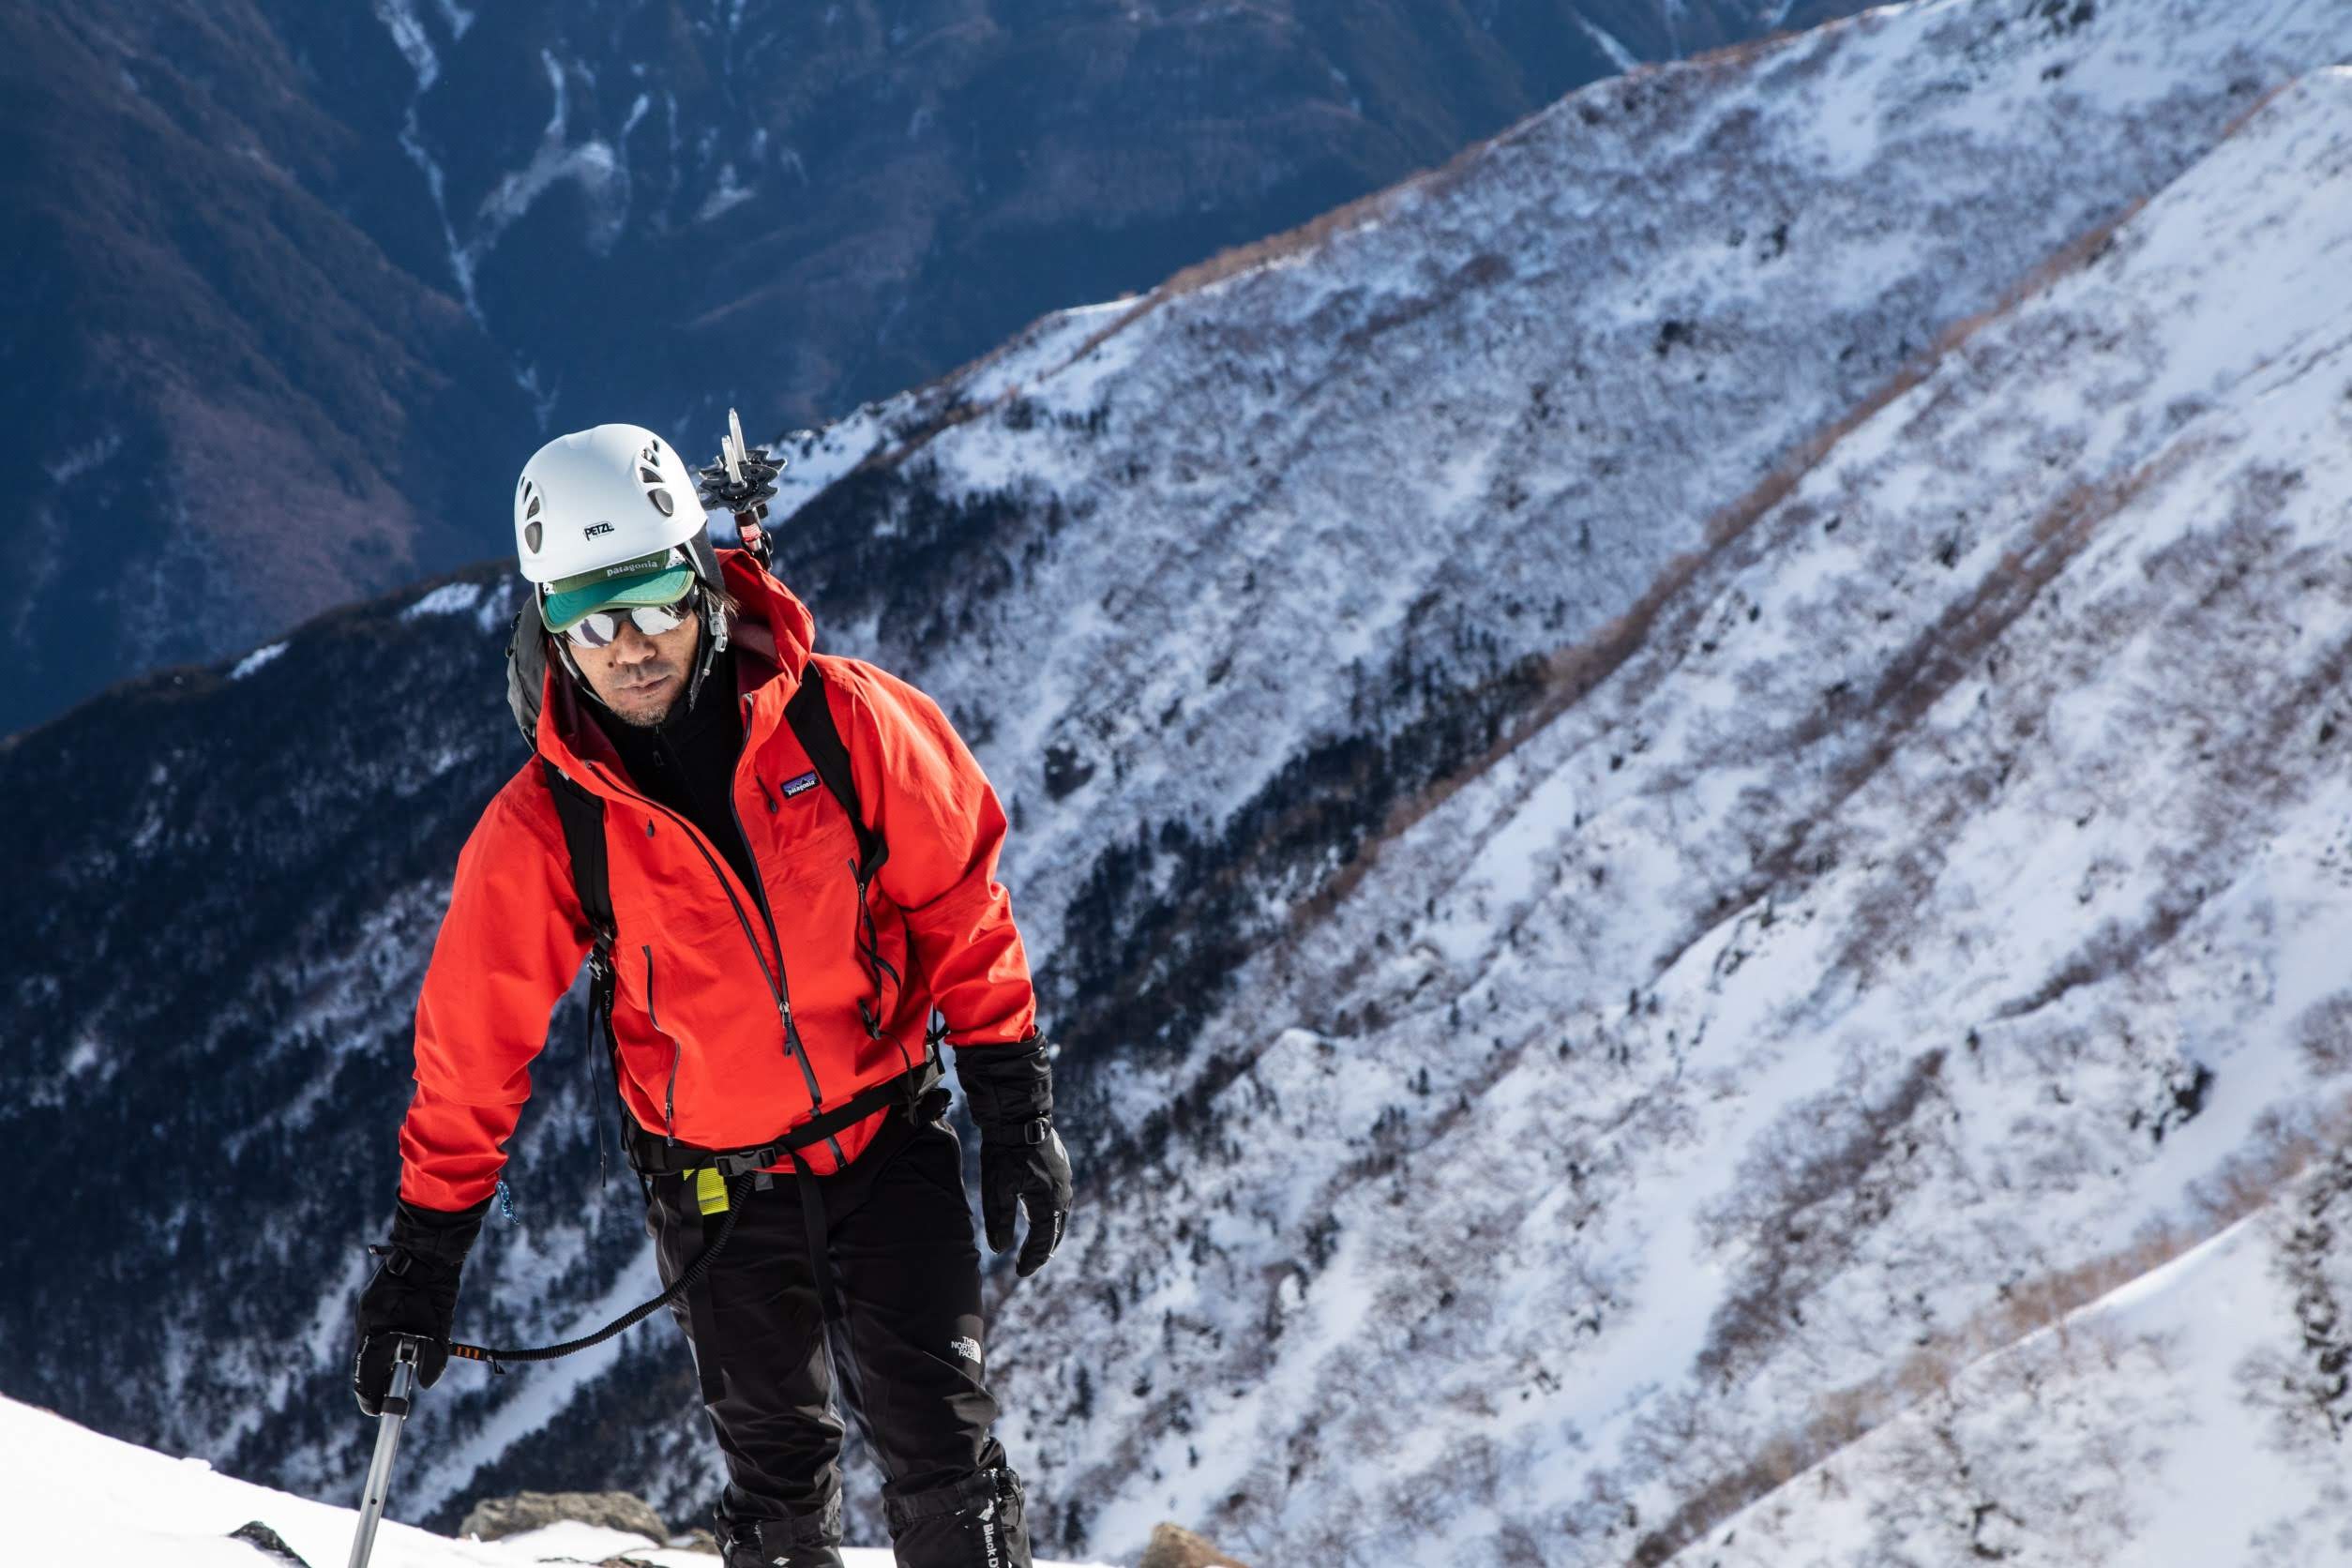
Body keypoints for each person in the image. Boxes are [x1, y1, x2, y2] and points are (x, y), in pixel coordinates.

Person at [350, 423, 1073, 1568]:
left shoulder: (849, 723)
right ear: (549, 631)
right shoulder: (545, 827)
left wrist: (1011, 1101)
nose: (628, 645)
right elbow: (472, 1054)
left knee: (944, 1469)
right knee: (777, 1498)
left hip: (889, 1143)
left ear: (704, 584)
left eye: (648, 600)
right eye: (590, 617)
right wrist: (426, 1254)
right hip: (716, 1190)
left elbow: (959, 904)